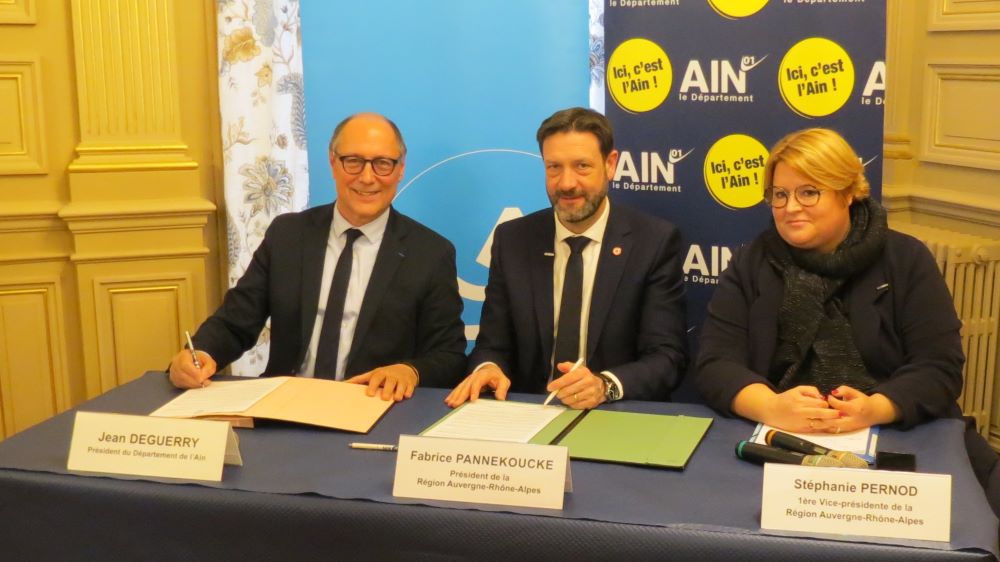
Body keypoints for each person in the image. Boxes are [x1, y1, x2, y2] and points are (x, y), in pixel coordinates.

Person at [696, 127, 999, 512]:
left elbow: (939, 367)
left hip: (897, 434)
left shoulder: (906, 259)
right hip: (780, 438)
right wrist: (771, 406)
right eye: (780, 194)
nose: (790, 207)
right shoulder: (751, 262)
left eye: (809, 192)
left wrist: (877, 407)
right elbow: (714, 364)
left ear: (847, 192)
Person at [168, 113, 466, 401]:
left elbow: (448, 355)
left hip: (374, 408)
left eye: (382, 164)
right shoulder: (288, 235)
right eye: (353, 161)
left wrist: (410, 371)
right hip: (284, 410)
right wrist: (201, 354)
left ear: (400, 169)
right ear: (332, 162)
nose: (367, 177)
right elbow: (235, 322)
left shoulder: (430, 253)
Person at [446, 107, 687, 410]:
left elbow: (667, 357)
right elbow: (493, 344)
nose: (566, 183)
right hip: (527, 415)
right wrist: (487, 368)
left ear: (610, 165)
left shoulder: (653, 242)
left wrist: (604, 385)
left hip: (614, 414)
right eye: (554, 168)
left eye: (582, 166)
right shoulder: (513, 239)